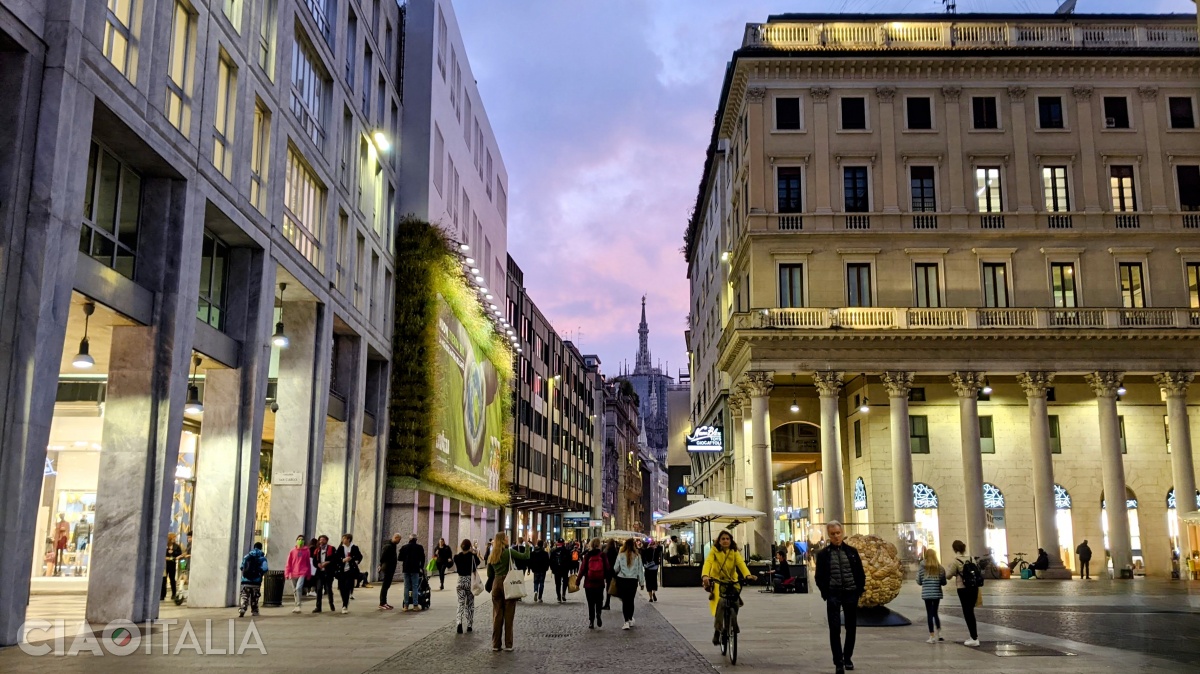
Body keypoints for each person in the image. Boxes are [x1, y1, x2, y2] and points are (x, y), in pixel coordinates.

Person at [815, 521, 866, 674]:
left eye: (838, 533)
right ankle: (838, 661)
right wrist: (825, 592)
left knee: (851, 627)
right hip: (833, 594)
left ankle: (848, 657)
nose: (836, 536)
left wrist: (858, 591)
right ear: (828, 535)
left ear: (842, 533)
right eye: (833, 534)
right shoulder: (823, 555)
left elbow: (860, 573)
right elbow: (819, 576)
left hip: (850, 593)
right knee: (834, 628)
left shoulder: (852, 552)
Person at [702, 530, 755, 646]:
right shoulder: (714, 551)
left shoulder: (734, 552)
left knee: (735, 602)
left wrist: (747, 575)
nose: (725, 541)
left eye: (727, 539)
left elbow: (741, 564)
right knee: (720, 603)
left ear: (731, 541)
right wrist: (705, 575)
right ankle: (717, 630)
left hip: (732, 581)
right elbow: (708, 563)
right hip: (718, 581)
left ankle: (733, 621)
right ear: (719, 541)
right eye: (723, 539)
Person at [485, 532, 530, 652]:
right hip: (508, 582)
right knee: (509, 615)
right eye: (506, 537)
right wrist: (527, 544)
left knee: (497, 615)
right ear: (502, 540)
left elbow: (489, 574)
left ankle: (496, 644)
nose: (508, 538)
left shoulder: (492, 555)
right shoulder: (509, 552)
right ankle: (508, 644)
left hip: (496, 584)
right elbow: (525, 556)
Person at [949, 539, 982, 647]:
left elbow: (949, 575)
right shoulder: (972, 558)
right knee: (970, 611)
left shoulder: (956, 561)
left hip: (963, 588)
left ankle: (974, 638)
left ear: (955, 549)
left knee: (967, 612)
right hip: (974, 588)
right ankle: (973, 636)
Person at [577, 538, 612, 629]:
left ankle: (591, 621)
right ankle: (598, 613)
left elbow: (582, 569)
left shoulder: (587, 555)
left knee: (590, 603)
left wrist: (578, 581)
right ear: (599, 545)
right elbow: (607, 568)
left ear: (591, 545)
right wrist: (607, 579)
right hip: (599, 583)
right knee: (599, 600)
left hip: (589, 583)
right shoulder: (602, 555)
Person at [612, 538, 646, 630]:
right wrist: (642, 582)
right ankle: (630, 618)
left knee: (625, 601)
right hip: (632, 581)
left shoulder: (620, 555)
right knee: (631, 600)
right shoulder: (637, 556)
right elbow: (640, 570)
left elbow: (615, 568)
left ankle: (626, 621)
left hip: (622, 580)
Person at [917, 548, 947, 643]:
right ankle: (940, 634)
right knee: (935, 613)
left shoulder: (922, 567)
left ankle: (932, 636)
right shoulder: (940, 568)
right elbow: (944, 582)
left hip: (927, 594)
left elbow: (919, 581)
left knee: (929, 614)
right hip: (936, 593)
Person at [454, 539, 483, 633]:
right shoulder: (472, 557)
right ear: (470, 546)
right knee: (470, 603)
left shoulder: (457, 557)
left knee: (460, 602)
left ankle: (459, 622)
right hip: (470, 581)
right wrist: (473, 553)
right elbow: (477, 563)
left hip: (460, 581)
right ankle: (469, 625)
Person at [238, 542, 268, 618]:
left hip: (245, 581)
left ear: (254, 547)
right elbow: (265, 568)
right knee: (255, 597)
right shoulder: (262, 558)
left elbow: (241, 567)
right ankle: (255, 611)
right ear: (261, 548)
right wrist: (259, 573)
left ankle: (242, 608)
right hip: (256, 582)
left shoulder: (246, 557)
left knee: (244, 596)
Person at [335, 533, 363, 614]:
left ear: (348, 539)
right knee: (341, 588)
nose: (343, 540)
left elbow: (359, 556)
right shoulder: (340, 548)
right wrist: (343, 560)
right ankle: (344, 600)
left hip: (350, 571)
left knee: (347, 587)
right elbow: (336, 558)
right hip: (341, 571)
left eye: (344, 538)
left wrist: (354, 560)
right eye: (342, 538)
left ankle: (345, 605)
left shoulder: (354, 547)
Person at [285, 534, 313, 613]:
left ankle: (298, 605)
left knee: (298, 588)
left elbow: (308, 563)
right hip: (293, 573)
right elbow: (288, 563)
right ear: (296, 541)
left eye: (302, 539)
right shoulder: (292, 551)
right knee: (295, 590)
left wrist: (309, 573)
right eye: (299, 539)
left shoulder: (306, 551)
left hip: (302, 572)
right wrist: (287, 573)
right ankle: (296, 605)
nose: (300, 541)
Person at [398, 534, 426, 612]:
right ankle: (415, 605)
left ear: (409, 539)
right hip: (415, 569)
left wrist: (406, 558)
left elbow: (399, 558)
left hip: (406, 569)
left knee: (406, 587)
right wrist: (421, 567)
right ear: (416, 540)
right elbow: (423, 558)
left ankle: (406, 606)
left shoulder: (404, 547)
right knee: (415, 587)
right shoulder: (419, 547)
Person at [311, 535, 337, 613]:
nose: (321, 541)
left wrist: (328, 562)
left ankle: (331, 604)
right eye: (320, 540)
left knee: (328, 589)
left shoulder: (332, 549)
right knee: (319, 589)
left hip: (328, 572)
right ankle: (318, 607)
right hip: (320, 573)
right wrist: (317, 564)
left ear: (326, 541)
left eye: (323, 540)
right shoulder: (317, 550)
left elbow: (335, 559)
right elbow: (314, 561)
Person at [377, 533, 401, 610]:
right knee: (385, 585)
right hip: (387, 567)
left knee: (387, 585)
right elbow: (383, 557)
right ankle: (382, 603)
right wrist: (380, 565)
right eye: (399, 540)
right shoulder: (388, 546)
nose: (399, 541)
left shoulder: (393, 545)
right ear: (396, 537)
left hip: (390, 568)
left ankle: (384, 602)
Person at [162, 533, 183, 601]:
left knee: (172, 579)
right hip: (165, 564)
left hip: (172, 564)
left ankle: (174, 594)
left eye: (175, 537)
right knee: (164, 579)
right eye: (173, 537)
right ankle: (162, 594)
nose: (175, 539)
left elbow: (179, 554)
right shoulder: (164, 545)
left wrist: (173, 555)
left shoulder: (176, 546)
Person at [641, 538, 662, 602]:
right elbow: (661, 548)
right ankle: (654, 593)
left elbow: (642, 559)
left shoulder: (644, 551)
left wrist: (645, 564)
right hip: (654, 568)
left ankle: (650, 598)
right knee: (654, 580)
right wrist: (657, 544)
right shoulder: (656, 550)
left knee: (648, 582)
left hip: (647, 568)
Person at [602, 538, 619, 610]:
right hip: (613, 571)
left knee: (608, 587)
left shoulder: (607, 551)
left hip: (608, 571)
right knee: (611, 586)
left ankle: (607, 604)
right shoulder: (615, 551)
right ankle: (607, 603)